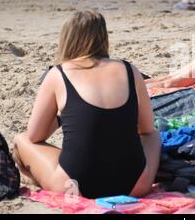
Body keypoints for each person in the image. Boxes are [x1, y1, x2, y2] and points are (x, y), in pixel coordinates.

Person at [13, 10, 161, 198]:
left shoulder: (59, 74)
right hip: (134, 186)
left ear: (67, 39)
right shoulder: (130, 70)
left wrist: (62, 117)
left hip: (74, 187)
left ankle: (38, 178)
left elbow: (35, 136)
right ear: (104, 38)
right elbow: (147, 129)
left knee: (21, 140)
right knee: (154, 136)